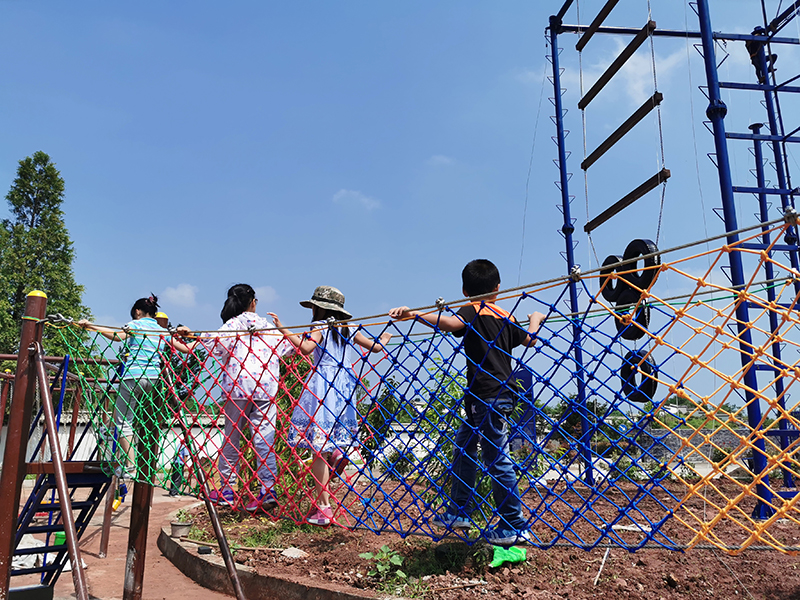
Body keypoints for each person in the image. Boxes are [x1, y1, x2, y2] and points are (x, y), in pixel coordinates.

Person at [389, 259, 546, 546]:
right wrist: (535, 317)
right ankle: (460, 511)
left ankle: (514, 523)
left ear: (464, 290)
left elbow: (450, 323)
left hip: (488, 396)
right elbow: (531, 340)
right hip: (489, 396)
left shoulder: (474, 309)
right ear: (498, 288)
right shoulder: (505, 315)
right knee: (463, 448)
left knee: (496, 459)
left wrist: (414, 314)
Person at [270, 285, 391, 526]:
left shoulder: (319, 326)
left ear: (318, 308)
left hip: (323, 385)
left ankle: (323, 509)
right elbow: (377, 347)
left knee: (318, 448)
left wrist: (281, 328)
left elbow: (305, 348)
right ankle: (340, 452)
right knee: (333, 438)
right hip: (345, 387)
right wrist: (386, 335)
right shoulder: (349, 327)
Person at [179, 284, 294, 512]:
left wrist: (190, 333)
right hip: (266, 386)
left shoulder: (231, 325)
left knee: (231, 438)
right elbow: (289, 348)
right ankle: (267, 489)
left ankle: (228, 490)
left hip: (238, 387)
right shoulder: (268, 326)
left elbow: (211, 344)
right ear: (253, 302)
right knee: (264, 441)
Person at [79, 295, 192, 479]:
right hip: (153, 380)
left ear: (138, 312)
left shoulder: (135, 324)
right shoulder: (161, 329)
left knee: (125, 422)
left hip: (134, 376)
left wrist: (90, 325)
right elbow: (186, 349)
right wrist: (201, 337)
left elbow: (118, 337)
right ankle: (108, 430)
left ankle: (130, 466)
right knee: (125, 414)